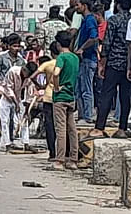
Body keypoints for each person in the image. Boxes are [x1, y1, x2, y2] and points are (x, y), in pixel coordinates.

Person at [91, 0, 131, 138]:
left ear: (119, 4)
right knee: (125, 96)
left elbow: (107, 44)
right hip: (129, 65)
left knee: (107, 95)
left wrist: (102, 64)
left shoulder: (114, 20)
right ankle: (122, 127)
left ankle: (99, 127)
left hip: (114, 62)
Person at [50, 31, 80, 171]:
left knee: (60, 129)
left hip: (60, 97)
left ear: (58, 44)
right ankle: (73, 159)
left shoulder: (62, 57)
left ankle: (60, 160)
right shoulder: (75, 58)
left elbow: (56, 73)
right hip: (71, 96)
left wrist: (56, 87)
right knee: (72, 129)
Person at [75, 0, 99, 124]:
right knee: (80, 88)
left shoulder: (90, 20)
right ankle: (82, 114)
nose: (76, 7)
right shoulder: (85, 20)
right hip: (83, 60)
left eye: (78, 5)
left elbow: (94, 37)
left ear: (84, 6)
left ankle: (88, 116)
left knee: (86, 88)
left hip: (88, 59)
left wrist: (82, 49)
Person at [30, 49, 57, 161]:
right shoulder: (69, 61)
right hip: (64, 96)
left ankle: (52, 152)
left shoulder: (48, 64)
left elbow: (32, 76)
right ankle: (63, 152)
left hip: (49, 96)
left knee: (49, 125)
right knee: (62, 126)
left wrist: (41, 86)